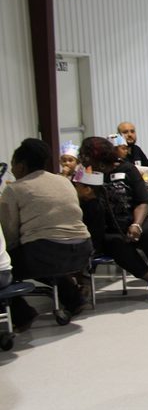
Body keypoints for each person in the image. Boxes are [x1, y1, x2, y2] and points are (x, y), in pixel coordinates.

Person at [0, 138, 93, 330]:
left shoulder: (14, 189)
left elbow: (9, 232)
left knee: (7, 266)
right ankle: (75, 299)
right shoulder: (64, 182)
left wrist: (9, 256)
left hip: (47, 253)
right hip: (83, 249)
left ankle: (22, 315)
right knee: (42, 255)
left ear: (20, 166)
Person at [78, 136, 148, 303]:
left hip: (136, 219)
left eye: (86, 156)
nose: (84, 160)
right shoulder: (90, 174)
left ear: (97, 156)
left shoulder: (127, 169)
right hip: (110, 227)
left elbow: (143, 200)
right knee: (115, 243)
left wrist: (136, 225)